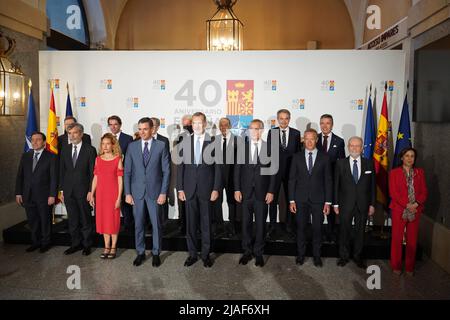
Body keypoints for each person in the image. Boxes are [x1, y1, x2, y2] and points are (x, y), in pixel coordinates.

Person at [176, 112, 221, 268]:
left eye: (200, 123)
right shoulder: (184, 142)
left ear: (205, 124)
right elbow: (180, 168)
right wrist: (180, 188)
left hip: (207, 190)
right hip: (188, 189)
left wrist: (216, 188)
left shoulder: (213, 142)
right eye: (194, 123)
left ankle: (206, 254)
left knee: (206, 224)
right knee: (191, 224)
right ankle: (192, 254)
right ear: (191, 125)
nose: (197, 126)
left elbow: (218, 169)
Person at [124, 117, 170, 267]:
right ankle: (140, 252)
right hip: (137, 193)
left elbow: (166, 171)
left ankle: (156, 253)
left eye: (145, 129)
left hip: (155, 193)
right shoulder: (132, 147)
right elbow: (127, 172)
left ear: (152, 129)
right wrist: (128, 193)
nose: (142, 132)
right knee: (138, 224)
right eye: (140, 129)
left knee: (156, 224)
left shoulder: (161, 146)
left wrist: (163, 193)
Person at [234, 119, 275, 267]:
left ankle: (258, 253)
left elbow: (273, 173)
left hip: (262, 193)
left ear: (262, 130)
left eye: (257, 129)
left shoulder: (269, 147)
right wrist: (237, 189)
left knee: (260, 225)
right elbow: (237, 170)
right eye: (251, 128)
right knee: (245, 224)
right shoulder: (242, 147)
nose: (254, 131)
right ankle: (247, 252)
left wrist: (271, 191)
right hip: (245, 193)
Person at [289, 128, 332, 267]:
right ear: (303, 140)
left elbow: (328, 180)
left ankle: (317, 256)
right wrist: (291, 200)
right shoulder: (296, 157)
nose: (309, 141)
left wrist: (328, 202)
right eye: (306, 139)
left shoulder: (325, 157)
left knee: (317, 228)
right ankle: (301, 255)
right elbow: (292, 180)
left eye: (312, 138)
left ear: (316, 140)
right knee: (301, 228)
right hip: (300, 199)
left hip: (318, 200)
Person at [333, 137, 375, 268]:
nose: (355, 148)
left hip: (363, 204)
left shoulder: (369, 163)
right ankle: (343, 256)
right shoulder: (340, 163)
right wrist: (335, 204)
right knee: (344, 231)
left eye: (357, 146)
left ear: (362, 148)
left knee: (360, 232)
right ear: (348, 147)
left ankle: (358, 256)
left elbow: (373, 185)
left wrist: (372, 204)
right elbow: (336, 186)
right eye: (352, 145)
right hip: (345, 204)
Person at [15, 132, 58, 253]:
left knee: (45, 220)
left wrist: (52, 195)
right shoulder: (26, 156)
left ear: (44, 142)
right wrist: (18, 193)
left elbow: (54, 177)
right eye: (33, 140)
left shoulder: (51, 157)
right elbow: (20, 176)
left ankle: (46, 242)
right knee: (32, 220)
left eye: (38, 140)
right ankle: (35, 242)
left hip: (44, 195)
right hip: (27, 194)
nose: (34, 142)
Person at [59, 123, 97, 256]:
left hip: (84, 191)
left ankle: (87, 245)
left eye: (75, 133)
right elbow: (62, 171)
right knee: (73, 219)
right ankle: (75, 244)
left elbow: (93, 173)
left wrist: (91, 191)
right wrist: (62, 190)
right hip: (68, 191)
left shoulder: (90, 150)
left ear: (81, 134)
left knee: (85, 219)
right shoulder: (64, 149)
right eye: (69, 133)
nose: (72, 135)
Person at [389, 147, 428, 276]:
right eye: (407, 156)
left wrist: (415, 204)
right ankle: (396, 266)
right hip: (399, 209)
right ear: (402, 158)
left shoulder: (419, 172)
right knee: (397, 239)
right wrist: (407, 204)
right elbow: (393, 192)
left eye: (412, 156)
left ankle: (410, 267)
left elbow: (424, 192)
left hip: (415, 210)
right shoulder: (394, 173)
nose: (410, 158)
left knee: (412, 240)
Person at [267, 109, 301, 238]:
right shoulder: (272, 132)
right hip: (275, 172)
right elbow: (269, 153)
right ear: (277, 119)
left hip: (291, 172)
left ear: (289, 119)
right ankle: (272, 226)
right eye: (281, 118)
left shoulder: (296, 133)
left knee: (290, 199)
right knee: (273, 200)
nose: (284, 121)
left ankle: (289, 225)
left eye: (286, 118)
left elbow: (298, 154)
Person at [89, 133, 124, 259]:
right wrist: (92, 194)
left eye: (108, 143)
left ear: (113, 145)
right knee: (103, 221)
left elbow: (120, 180)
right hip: (101, 195)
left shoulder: (117, 159)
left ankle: (114, 247)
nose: (105, 146)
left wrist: (119, 197)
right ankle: (106, 247)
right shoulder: (98, 159)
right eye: (103, 144)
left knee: (113, 221)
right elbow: (96, 177)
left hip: (113, 194)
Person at [317, 114, 345, 243]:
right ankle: (319, 233)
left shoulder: (339, 141)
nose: (324, 126)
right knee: (317, 208)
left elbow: (341, 163)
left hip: (332, 180)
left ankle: (331, 232)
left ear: (332, 125)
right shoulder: (313, 138)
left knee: (331, 208)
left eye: (327, 123)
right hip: (316, 180)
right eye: (322, 123)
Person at [213, 117, 239, 237]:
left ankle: (232, 226)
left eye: (226, 125)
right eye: (221, 125)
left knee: (231, 202)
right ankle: (219, 226)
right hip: (217, 178)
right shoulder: (214, 140)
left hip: (232, 177)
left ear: (230, 126)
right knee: (217, 202)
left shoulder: (238, 141)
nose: (224, 127)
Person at [107, 115, 134, 232]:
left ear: (120, 125)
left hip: (124, 175)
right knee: (112, 202)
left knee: (125, 203)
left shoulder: (128, 139)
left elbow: (131, 157)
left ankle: (129, 227)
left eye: (115, 124)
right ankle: (113, 226)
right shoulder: (106, 139)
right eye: (110, 124)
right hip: (109, 176)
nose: (113, 127)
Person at [174, 114, 193, 233]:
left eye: (189, 125)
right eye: (184, 125)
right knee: (182, 204)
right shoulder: (179, 138)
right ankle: (183, 225)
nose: (186, 127)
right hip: (183, 174)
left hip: (194, 176)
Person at [151, 117, 171, 226]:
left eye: (153, 125)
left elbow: (166, 160)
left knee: (162, 201)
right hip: (148, 178)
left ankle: (163, 223)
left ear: (158, 127)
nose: (151, 128)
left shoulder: (164, 140)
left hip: (160, 176)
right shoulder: (141, 139)